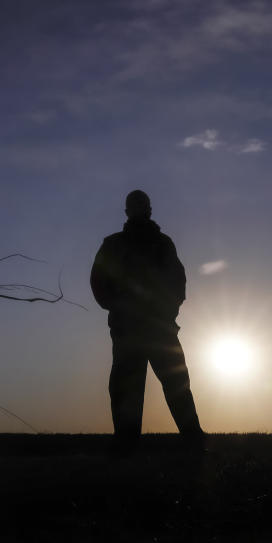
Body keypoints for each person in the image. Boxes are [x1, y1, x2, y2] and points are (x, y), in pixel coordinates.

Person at [90, 190, 204, 452]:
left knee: (176, 384)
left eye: (142, 205)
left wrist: (167, 312)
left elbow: (178, 283)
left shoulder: (163, 244)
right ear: (129, 210)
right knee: (127, 389)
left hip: (158, 327)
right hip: (129, 328)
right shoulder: (114, 244)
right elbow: (98, 282)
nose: (139, 209)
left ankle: (194, 443)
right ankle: (126, 447)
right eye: (135, 205)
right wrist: (118, 308)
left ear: (148, 209)